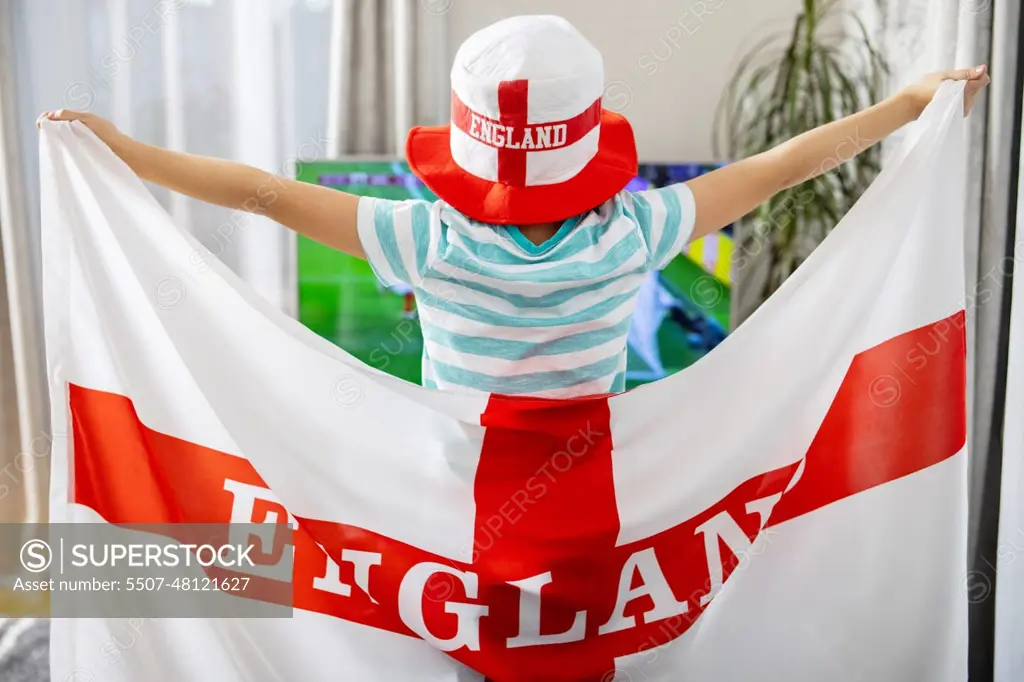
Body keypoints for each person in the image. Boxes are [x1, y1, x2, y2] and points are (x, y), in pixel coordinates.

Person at [38, 15, 989, 398]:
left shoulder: (423, 238)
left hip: (449, 515)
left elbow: (261, 192)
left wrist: (122, 151)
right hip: (596, 507)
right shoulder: (635, 233)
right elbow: (779, 165)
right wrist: (909, 107)